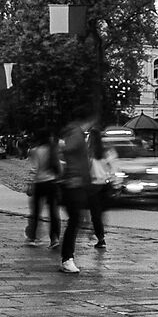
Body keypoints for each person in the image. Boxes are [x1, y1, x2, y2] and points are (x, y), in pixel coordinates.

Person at [55, 110, 101, 273]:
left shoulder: (76, 132)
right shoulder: (76, 133)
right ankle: (67, 258)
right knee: (76, 220)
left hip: (76, 183)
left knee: (77, 220)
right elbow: (66, 150)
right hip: (73, 184)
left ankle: (67, 257)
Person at [24, 131, 60, 246]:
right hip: (52, 182)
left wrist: (29, 184)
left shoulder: (35, 151)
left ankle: (32, 237)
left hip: (40, 183)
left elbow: (34, 168)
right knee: (53, 212)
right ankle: (54, 238)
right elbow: (58, 166)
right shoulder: (52, 150)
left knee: (35, 211)